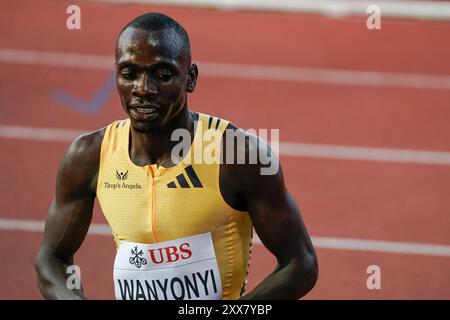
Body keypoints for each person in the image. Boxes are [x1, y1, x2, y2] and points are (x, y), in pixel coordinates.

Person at [35, 13, 318, 300]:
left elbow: (301, 263)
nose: (143, 89)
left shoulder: (237, 154)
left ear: (190, 78)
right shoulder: (89, 156)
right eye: (129, 73)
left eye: (163, 75)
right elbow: (52, 259)